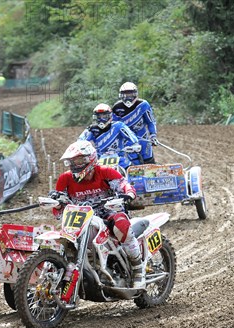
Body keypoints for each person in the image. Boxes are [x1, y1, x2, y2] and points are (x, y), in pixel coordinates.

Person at [51, 140, 146, 289]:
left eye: (79, 160)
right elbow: (58, 203)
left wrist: (128, 194)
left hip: (108, 211)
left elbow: (124, 184)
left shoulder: (105, 172)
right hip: (80, 217)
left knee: (121, 224)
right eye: (72, 161)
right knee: (63, 237)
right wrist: (56, 202)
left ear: (90, 158)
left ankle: (138, 268)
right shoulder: (65, 178)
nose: (75, 164)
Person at [78, 103, 141, 170]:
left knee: (133, 171)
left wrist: (134, 144)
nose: (101, 119)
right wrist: (81, 150)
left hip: (119, 159)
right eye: (99, 117)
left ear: (110, 116)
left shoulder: (118, 126)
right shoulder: (92, 129)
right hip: (100, 160)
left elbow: (131, 136)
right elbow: (80, 141)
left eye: (104, 116)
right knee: (88, 174)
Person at [112, 82, 158, 163]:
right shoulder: (116, 107)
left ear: (135, 94)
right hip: (127, 140)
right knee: (133, 163)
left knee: (149, 160)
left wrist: (153, 135)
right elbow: (113, 126)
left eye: (130, 94)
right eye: (125, 95)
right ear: (121, 95)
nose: (128, 97)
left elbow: (151, 122)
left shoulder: (143, 104)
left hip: (143, 137)